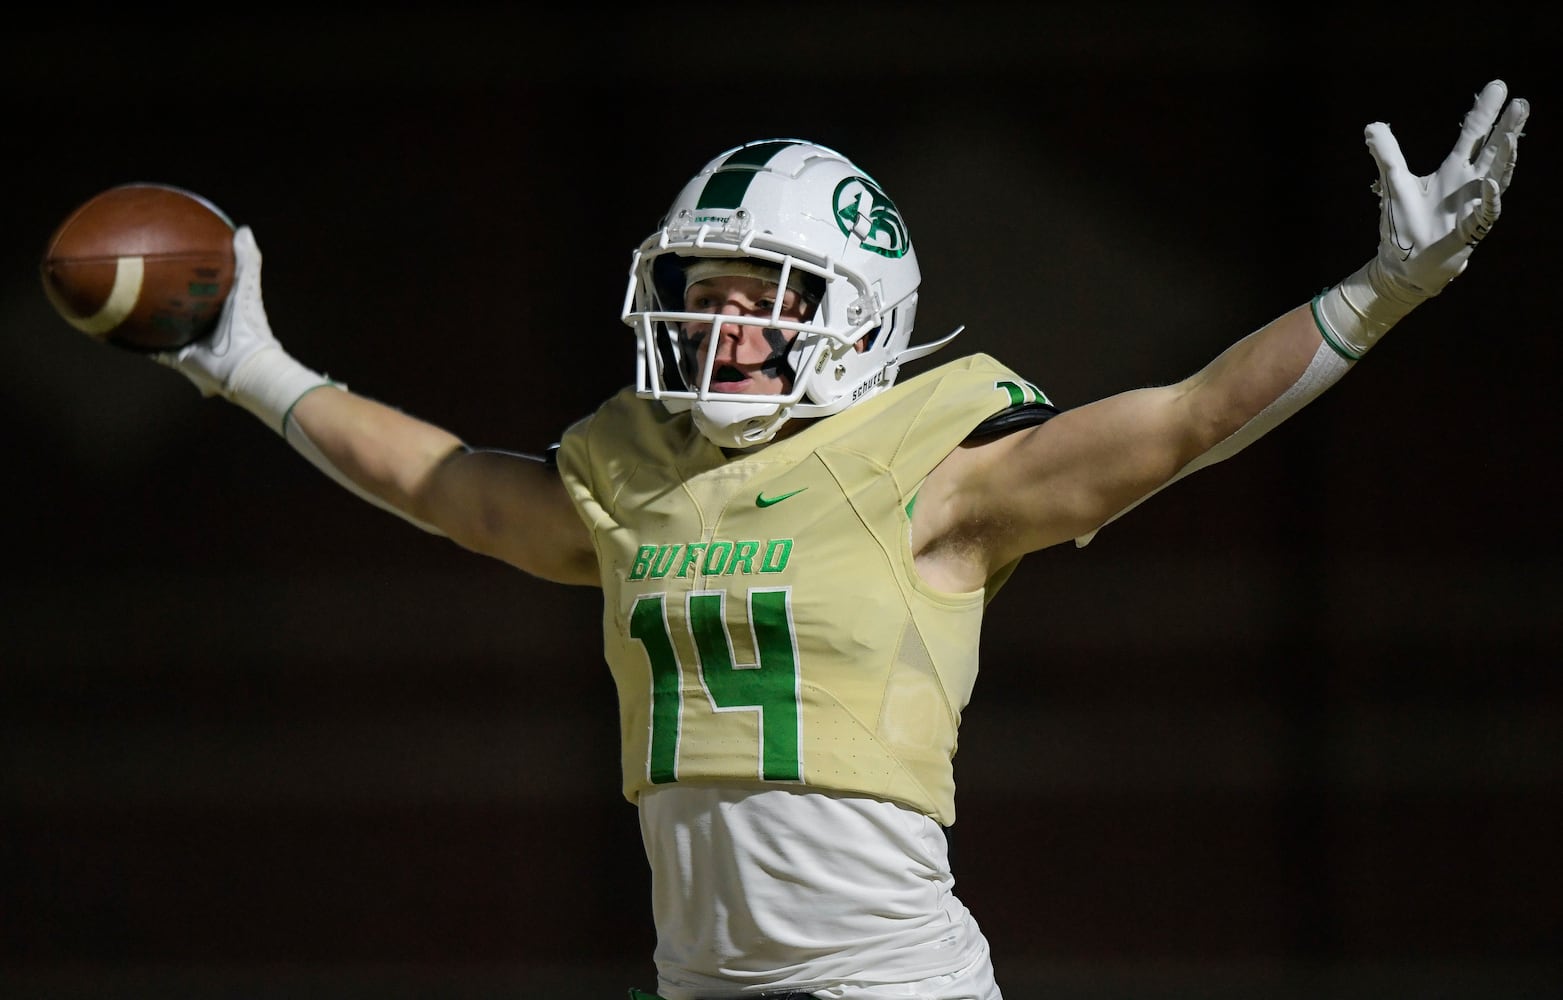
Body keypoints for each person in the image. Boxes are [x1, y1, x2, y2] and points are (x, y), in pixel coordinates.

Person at [134, 80, 1527, 999]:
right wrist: (251, 367)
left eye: (765, 296)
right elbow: (447, 484)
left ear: (857, 315)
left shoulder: (929, 472)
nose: (719, 326)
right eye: (700, 291)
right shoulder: (638, 475)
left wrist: (1383, 292)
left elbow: (1178, 422)